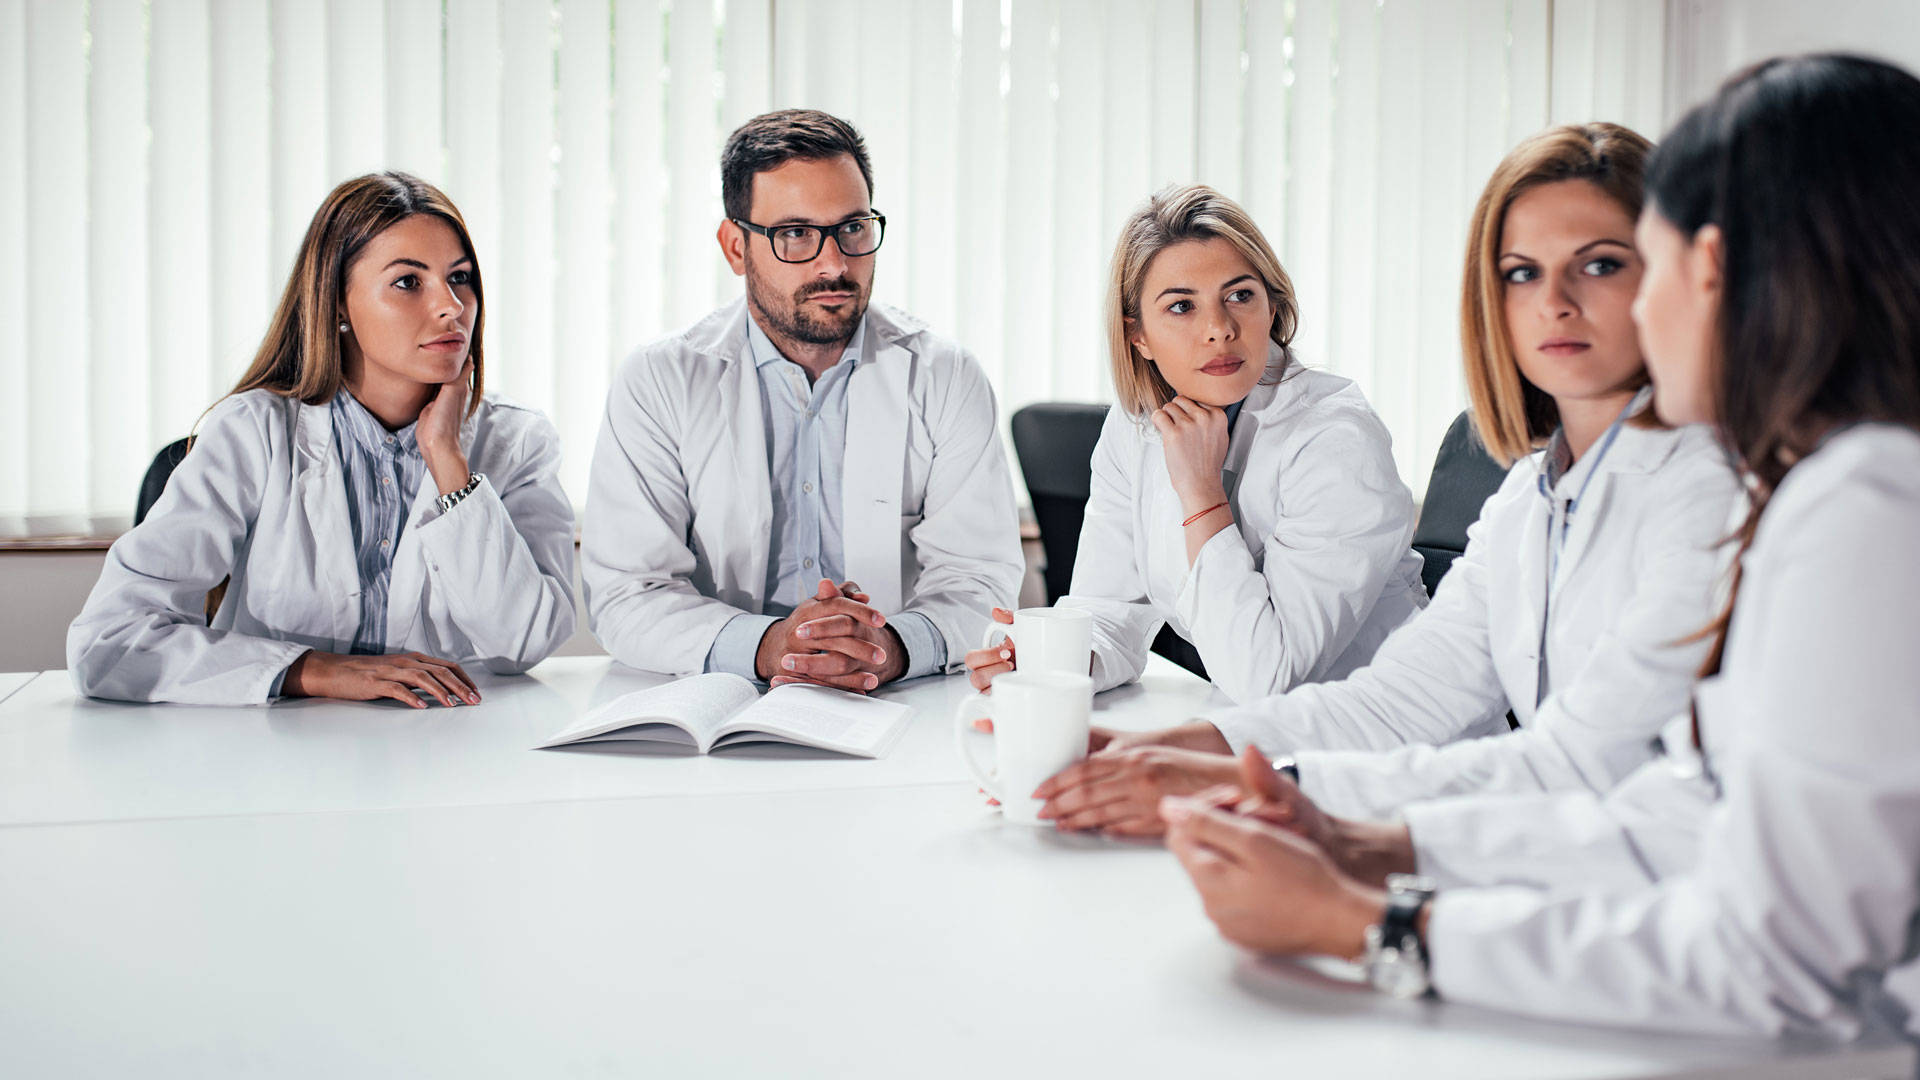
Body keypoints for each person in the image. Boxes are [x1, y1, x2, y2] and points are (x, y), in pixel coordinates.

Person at [1164, 53, 1920, 1040]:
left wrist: (1373, 918)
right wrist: (1350, 840)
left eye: (1628, 265)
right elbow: (1680, 814)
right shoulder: (1807, 490)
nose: (1609, 308)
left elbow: (1775, 956)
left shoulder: (1859, 503)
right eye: (1522, 274)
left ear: (1724, 273)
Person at [1024, 125, 1741, 839]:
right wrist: (1178, 752)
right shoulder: (1530, 494)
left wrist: (1268, 797)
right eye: (1521, 273)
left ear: (1677, 275)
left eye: (1601, 264)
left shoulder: (1711, 494)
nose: (1554, 301)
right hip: (1482, 821)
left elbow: (1578, 767)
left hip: (1598, 868)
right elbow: (1399, 699)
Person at [68, 172, 577, 707]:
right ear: (337, 304)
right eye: (409, 282)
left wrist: (449, 462)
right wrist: (316, 671)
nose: (452, 306)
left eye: (461, 278)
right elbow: (108, 644)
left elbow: (522, 643)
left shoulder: (516, 440)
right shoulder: (252, 433)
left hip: (448, 748)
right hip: (275, 757)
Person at [582, 109, 1023, 691]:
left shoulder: (945, 376)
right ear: (735, 247)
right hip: (722, 698)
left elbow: (979, 582)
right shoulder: (659, 380)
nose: (835, 263)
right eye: (795, 234)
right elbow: (628, 593)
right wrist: (770, 648)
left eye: (853, 228)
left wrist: (889, 647)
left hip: (899, 700)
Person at [961, 184, 1426, 707]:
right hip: (1266, 744)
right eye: (1182, 306)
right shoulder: (1136, 425)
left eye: (1240, 295)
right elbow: (1108, 614)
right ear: (1137, 335)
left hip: (1388, 749)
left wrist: (1201, 494)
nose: (1219, 329)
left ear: (1271, 307)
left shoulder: (1336, 440)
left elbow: (1267, 677)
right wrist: (1047, 663)